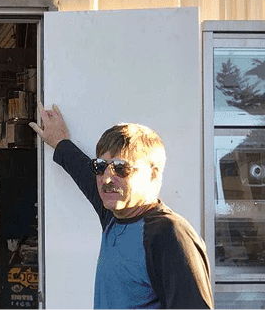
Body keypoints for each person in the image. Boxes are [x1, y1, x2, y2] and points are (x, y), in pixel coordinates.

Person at [30, 103, 213, 310]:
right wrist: (61, 143)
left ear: (153, 174)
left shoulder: (168, 233)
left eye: (121, 168)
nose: (107, 179)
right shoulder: (113, 215)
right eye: (100, 166)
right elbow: (84, 172)